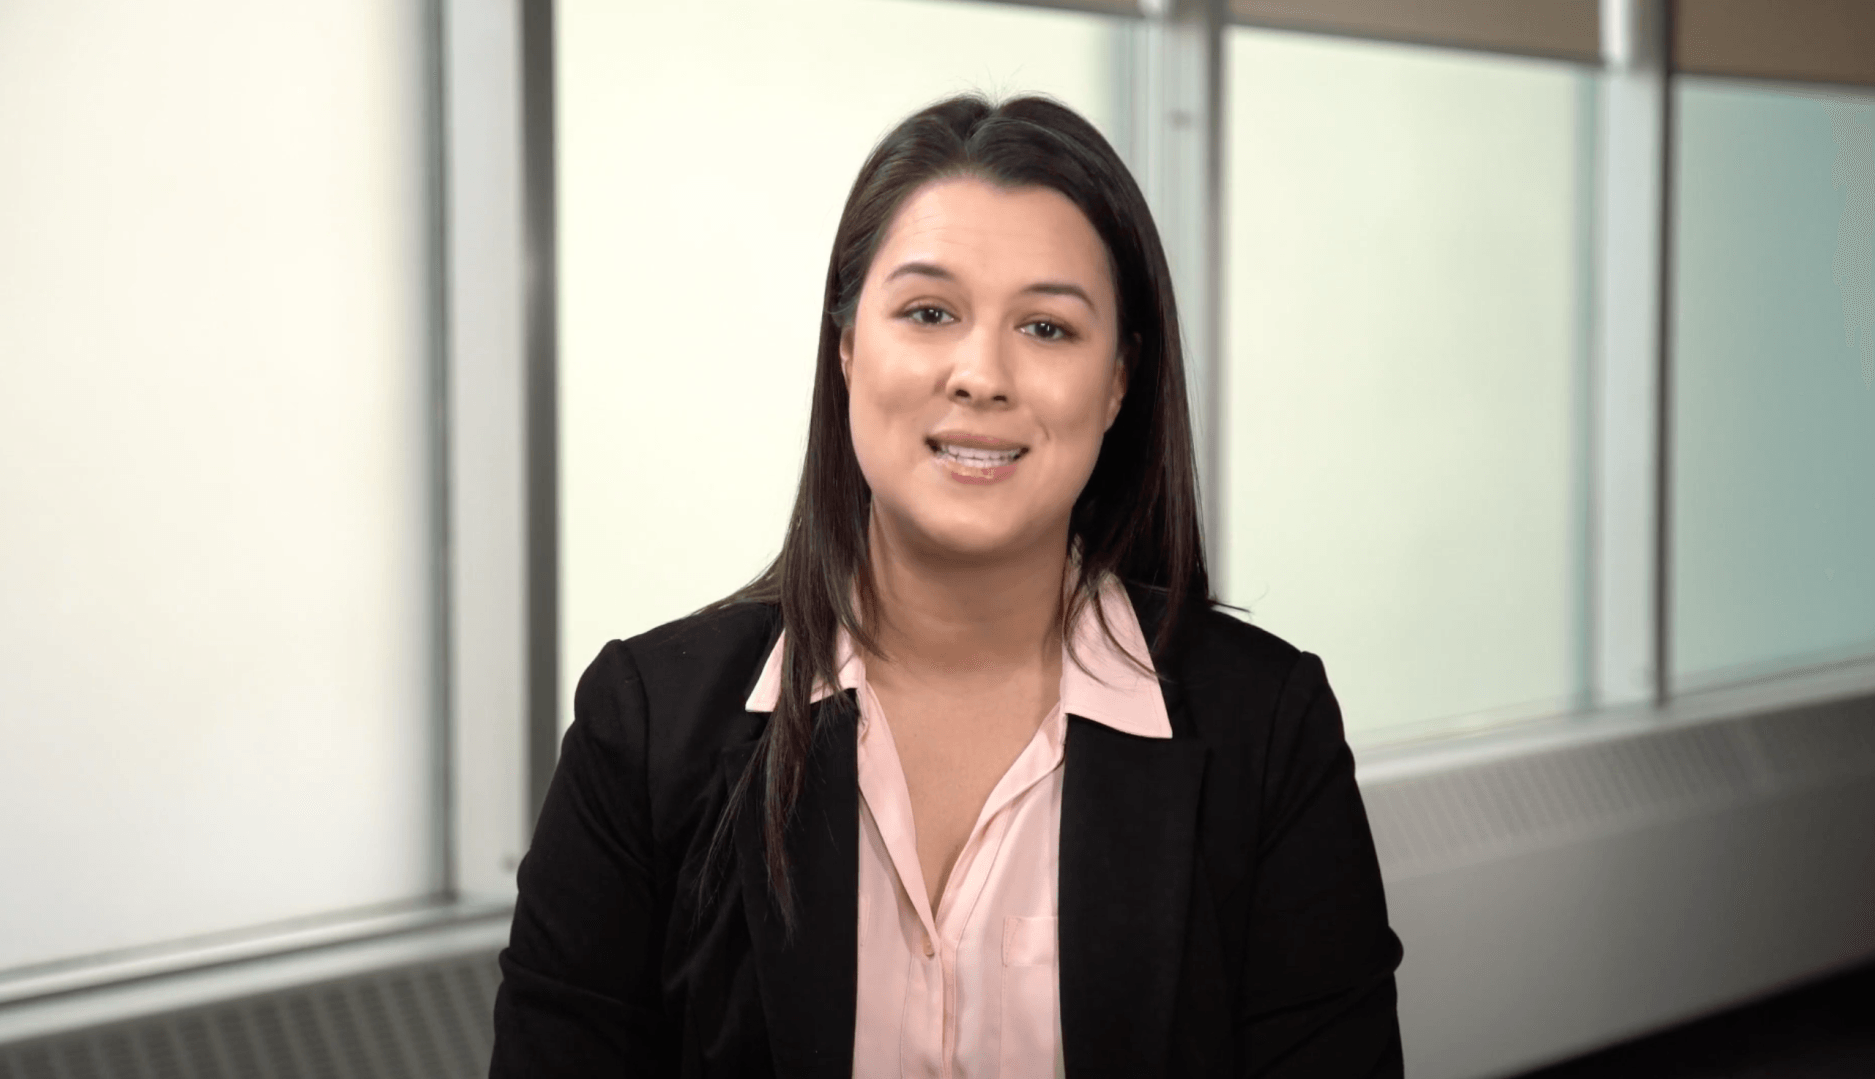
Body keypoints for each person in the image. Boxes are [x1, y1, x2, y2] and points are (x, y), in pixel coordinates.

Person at [489, 92, 1403, 1078]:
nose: (981, 373)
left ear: (1119, 380)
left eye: (1048, 328)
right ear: (846, 348)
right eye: (929, 312)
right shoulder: (645, 727)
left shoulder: (1267, 729)